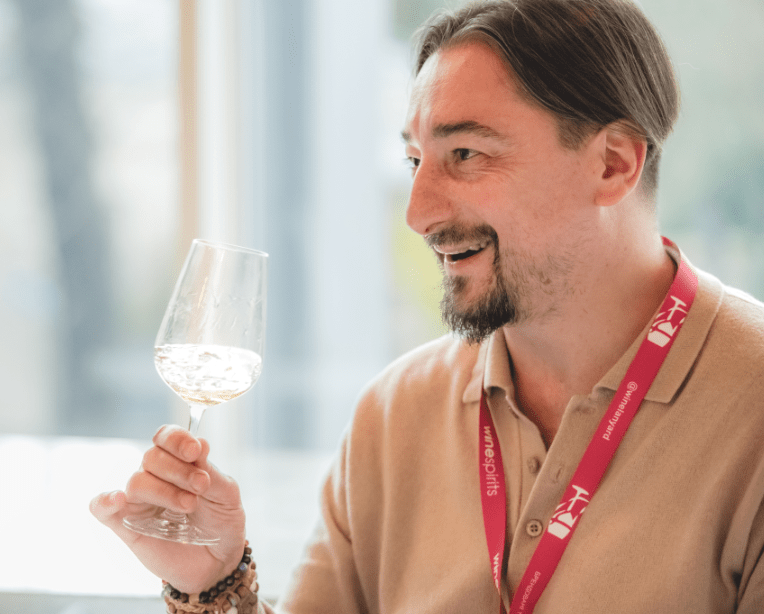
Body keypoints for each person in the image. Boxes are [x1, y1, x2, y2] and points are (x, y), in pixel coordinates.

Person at [91, 0, 764, 611]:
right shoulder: (393, 414)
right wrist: (215, 585)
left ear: (613, 164)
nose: (418, 213)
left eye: (465, 154)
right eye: (416, 160)